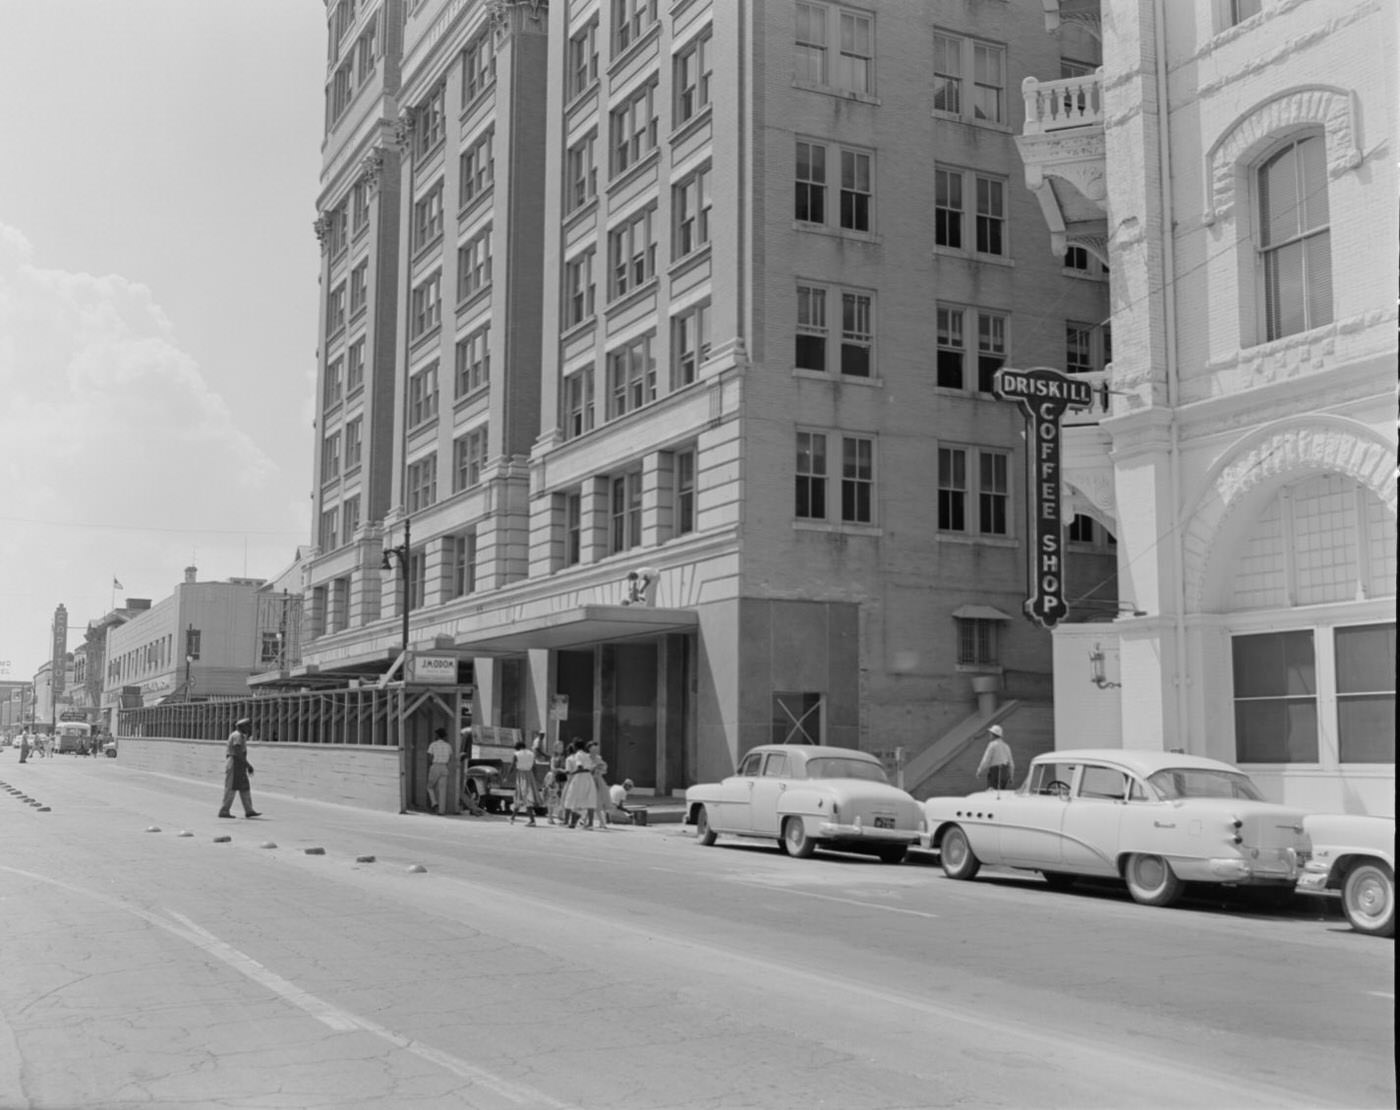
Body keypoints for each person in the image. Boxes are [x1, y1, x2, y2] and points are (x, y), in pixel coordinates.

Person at [218, 718, 261, 818]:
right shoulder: (237, 736)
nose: (249, 728)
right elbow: (237, 752)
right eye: (247, 726)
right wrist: (247, 765)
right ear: (241, 727)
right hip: (235, 763)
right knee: (231, 787)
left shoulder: (241, 736)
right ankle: (224, 810)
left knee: (244, 787)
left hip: (239, 764)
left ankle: (249, 810)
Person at [561, 738, 599, 828]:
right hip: (588, 777)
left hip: (580, 778)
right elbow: (591, 767)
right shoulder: (587, 755)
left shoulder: (578, 755)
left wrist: (573, 773)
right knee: (589, 799)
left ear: (575, 746)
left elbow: (580, 767)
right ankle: (590, 823)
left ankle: (573, 821)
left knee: (575, 798)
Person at [509, 739, 540, 826]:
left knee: (521, 796)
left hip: (521, 775)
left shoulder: (516, 754)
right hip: (530, 775)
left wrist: (506, 777)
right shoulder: (531, 754)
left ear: (518, 748)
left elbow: (512, 766)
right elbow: (534, 767)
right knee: (526, 797)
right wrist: (537, 779)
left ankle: (531, 821)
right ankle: (512, 818)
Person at [975, 724, 1015, 790]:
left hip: (995, 772)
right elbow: (1011, 764)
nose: (989, 735)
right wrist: (1011, 776)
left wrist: (979, 770)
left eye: (990, 734)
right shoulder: (1006, 746)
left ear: (993, 735)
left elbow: (986, 760)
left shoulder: (992, 745)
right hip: (1004, 774)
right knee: (999, 795)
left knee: (991, 794)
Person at [425, 727, 453, 814]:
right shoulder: (448, 746)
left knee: (429, 787)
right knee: (442, 790)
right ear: (444, 736)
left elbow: (429, 757)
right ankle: (441, 811)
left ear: (437, 735)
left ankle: (434, 802)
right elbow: (450, 758)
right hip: (444, 767)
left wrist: (432, 765)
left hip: (435, 765)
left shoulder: (433, 745)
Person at [545, 736, 568, 825]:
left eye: (562, 747)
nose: (561, 748)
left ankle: (560, 815)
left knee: (562, 798)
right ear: (555, 748)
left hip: (562, 779)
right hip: (554, 779)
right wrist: (562, 770)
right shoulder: (554, 757)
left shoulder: (563, 757)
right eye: (559, 747)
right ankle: (550, 817)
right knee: (552, 798)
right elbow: (553, 768)